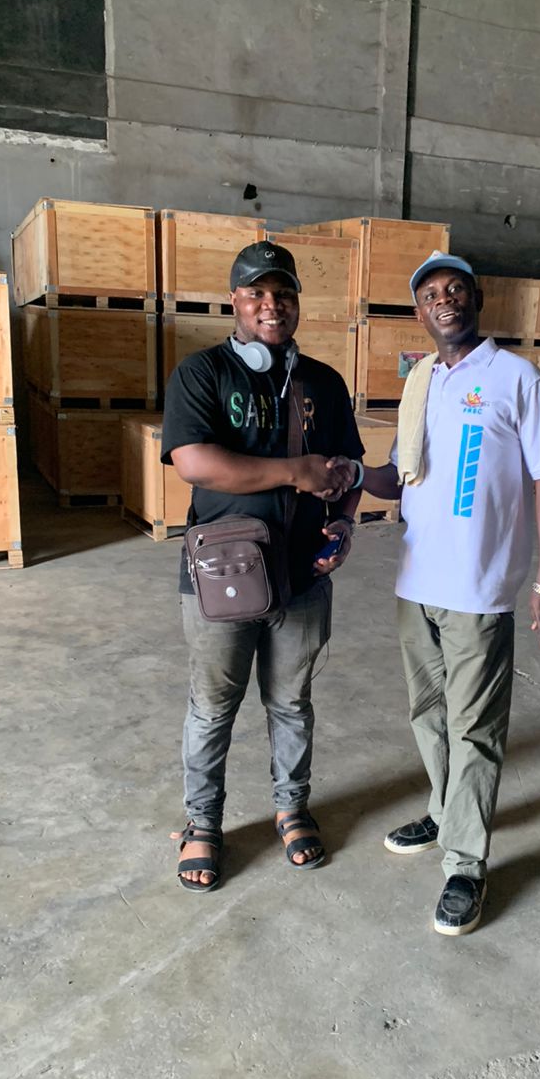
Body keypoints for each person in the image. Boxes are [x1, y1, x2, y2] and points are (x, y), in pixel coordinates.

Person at [351, 251, 540, 935]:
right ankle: (444, 812)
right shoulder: (421, 381)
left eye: (455, 289)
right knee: (427, 713)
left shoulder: (516, 378)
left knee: (475, 729)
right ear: (419, 312)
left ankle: (466, 864)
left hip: (479, 589)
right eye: (429, 294)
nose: (443, 300)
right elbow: (397, 475)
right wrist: (340, 474)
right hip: (416, 581)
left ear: (476, 300)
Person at [161, 241, 363, 892]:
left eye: (283, 294)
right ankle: (203, 823)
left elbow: (349, 468)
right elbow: (194, 462)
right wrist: (294, 472)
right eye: (256, 293)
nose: (271, 305)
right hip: (221, 577)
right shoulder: (203, 373)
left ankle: (291, 808)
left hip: (303, 576)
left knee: (292, 703)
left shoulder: (323, 383)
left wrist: (344, 519)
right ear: (235, 301)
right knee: (213, 706)